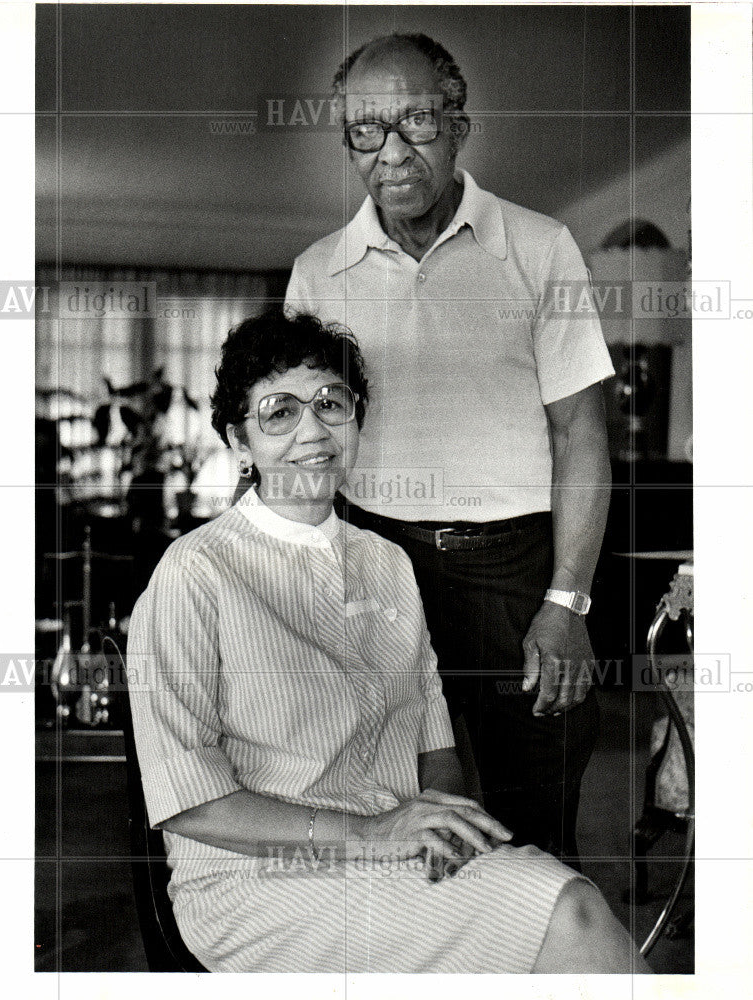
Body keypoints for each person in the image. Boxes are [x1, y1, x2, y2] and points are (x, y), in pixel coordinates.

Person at [126, 309, 648, 974]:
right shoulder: (194, 573)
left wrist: (437, 821)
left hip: (393, 853)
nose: (312, 430)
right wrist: (374, 833)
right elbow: (190, 801)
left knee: (559, 904)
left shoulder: (386, 562)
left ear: (357, 421)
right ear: (239, 440)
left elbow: (435, 747)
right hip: (260, 881)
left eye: (330, 404)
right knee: (568, 911)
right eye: (278, 413)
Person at [285, 33, 615, 861]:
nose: (391, 154)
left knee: (533, 831)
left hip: (513, 573)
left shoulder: (539, 247)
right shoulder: (317, 271)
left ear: (457, 121)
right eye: (365, 131)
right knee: (394, 820)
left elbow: (581, 432)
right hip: (373, 562)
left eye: (416, 123)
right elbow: (298, 447)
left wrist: (565, 602)